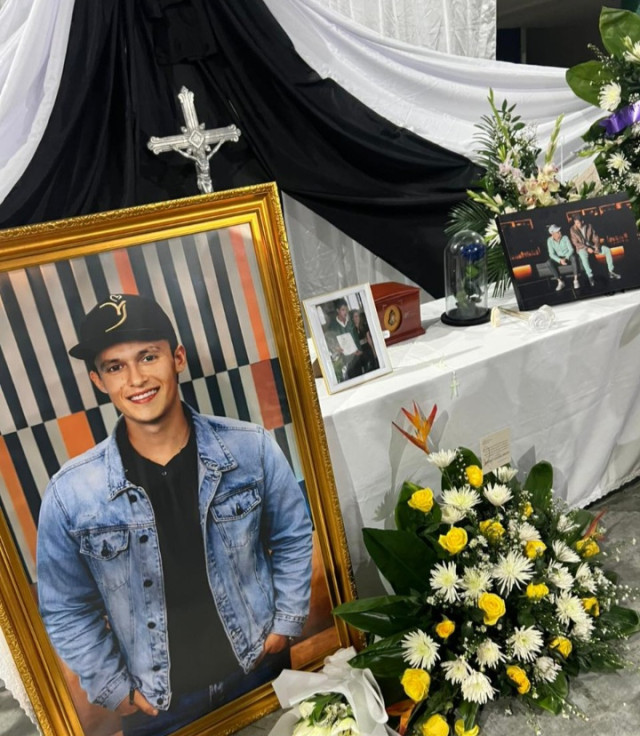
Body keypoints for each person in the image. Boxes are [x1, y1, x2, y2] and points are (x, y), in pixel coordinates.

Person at [36, 294, 313, 736]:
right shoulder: (70, 494)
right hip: (159, 707)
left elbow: (292, 536)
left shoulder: (251, 448)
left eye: (148, 356)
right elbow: (65, 608)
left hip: (259, 667)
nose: (136, 379)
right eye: (115, 366)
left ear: (177, 358)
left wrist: (285, 624)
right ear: (98, 380)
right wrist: (115, 690)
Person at [569, 213, 621, 286]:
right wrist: (587, 248)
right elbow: (575, 243)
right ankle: (590, 277)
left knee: (607, 250)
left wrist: (597, 246)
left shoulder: (589, 226)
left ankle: (611, 271)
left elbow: (595, 237)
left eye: (578, 223)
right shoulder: (572, 229)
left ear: (582, 221)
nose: (576, 225)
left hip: (591, 245)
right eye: (575, 223)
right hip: (582, 248)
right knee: (583, 256)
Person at [325, 299, 364, 379]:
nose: (345, 312)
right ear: (338, 310)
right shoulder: (333, 326)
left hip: (355, 357)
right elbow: (329, 341)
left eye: (346, 309)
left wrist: (359, 349)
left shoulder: (350, 323)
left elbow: (356, 337)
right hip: (344, 360)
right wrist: (335, 348)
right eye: (343, 310)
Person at [545, 224, 579, 291]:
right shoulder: (549, 240)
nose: (560, 232)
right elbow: (551, 254)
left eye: (560, 231)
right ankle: (560, 282)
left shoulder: (565, 237)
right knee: (549, 262)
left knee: (573, 258)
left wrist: (566, 258)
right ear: (552, 233)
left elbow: (571, 249)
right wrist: (560, 260)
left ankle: (576, 280)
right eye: (558, 232)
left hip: (567, 256)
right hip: (559, 258)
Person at [351, 310, 379, 374]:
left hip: (367, 349)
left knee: (373, 366)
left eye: (358, 316)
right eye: (355, 316)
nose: (357, 318)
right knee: (366, 369)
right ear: (352, 318)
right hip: (360, 351)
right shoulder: (352, 330)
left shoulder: (364, 326)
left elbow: (369, 339)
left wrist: (373, 350)